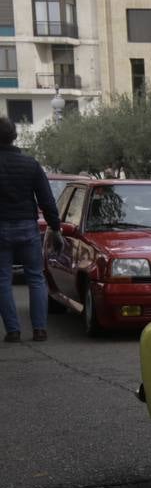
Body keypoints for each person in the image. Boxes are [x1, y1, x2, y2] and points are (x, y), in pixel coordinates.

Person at [0, 116, 63, 342]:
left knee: (3, 280)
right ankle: (39, 329)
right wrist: (55, 227)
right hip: (27, 227)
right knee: (36, 277)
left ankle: (13, 331)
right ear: (15, 136)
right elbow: (46, 200)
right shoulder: (31, 164)